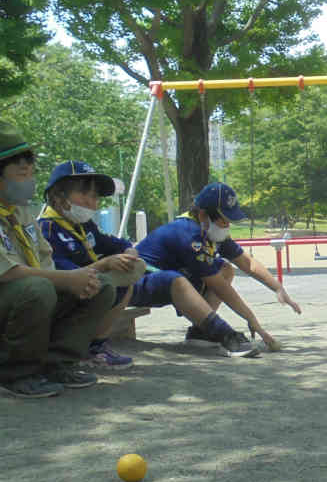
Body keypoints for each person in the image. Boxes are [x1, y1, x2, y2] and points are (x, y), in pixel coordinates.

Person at [0, 123, 114, 397]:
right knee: (37, 289)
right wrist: (66, 279)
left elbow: (44, 262)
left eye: (31, 173)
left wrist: (76, 282)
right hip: (12, 292)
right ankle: (16, 372)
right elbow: (8, 273)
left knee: (101, 285)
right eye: (21, 173)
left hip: (21, 297)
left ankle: (56, 363)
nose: (29, 180)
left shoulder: (23, 214)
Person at [130, 182, 302, 357]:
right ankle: (224, 334)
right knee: (177, 280)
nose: (227, 226)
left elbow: (246, 262)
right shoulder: (188, 234)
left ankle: (200, 332)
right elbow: (220, 286)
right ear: (204, 214)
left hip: (166, 281)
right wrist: (252, 320)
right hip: (137, 284)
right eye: (224, 219)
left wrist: (278, 288)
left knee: (225, 269)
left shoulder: (209, 231)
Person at [38, 160, 145, 368]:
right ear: (58, 196)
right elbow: (64, 275)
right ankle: (76, 350)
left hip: (91, 287)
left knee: (127, 278)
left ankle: (96, 346)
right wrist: (105, 264)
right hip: (62, 297)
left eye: (95, 196)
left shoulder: (85, 226)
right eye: (84, 194)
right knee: (106, 284)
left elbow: (118, 243)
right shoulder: (47, 230)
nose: (91, 202)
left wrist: (130, 252)